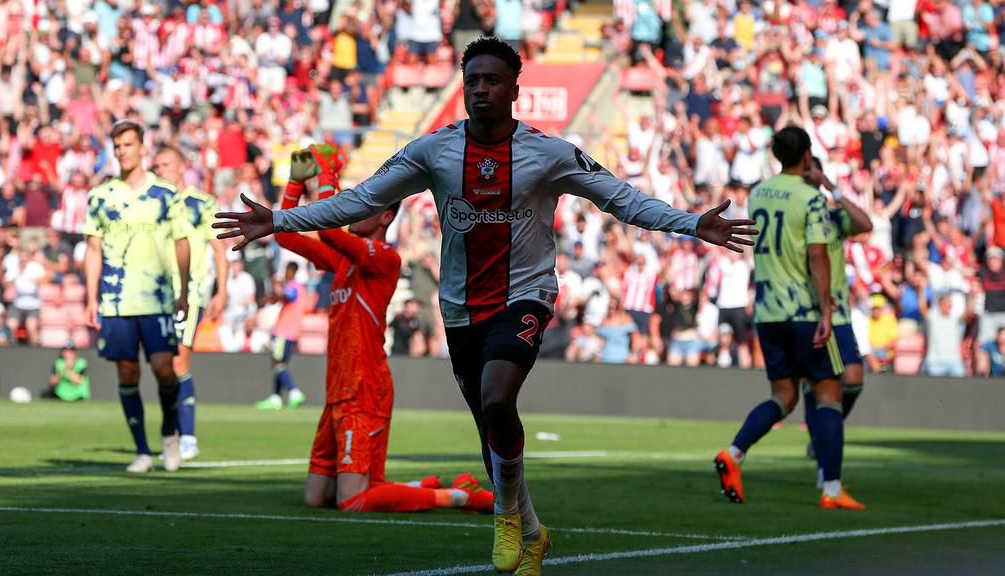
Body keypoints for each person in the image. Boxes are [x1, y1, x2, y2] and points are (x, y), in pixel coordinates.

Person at [215, 38, 756, 575]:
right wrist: (280, 219)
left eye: (491, 80)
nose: (480, 89)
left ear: (515, 90)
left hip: (525, 297)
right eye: (472, 80)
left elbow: (621, 199)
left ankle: (502, 513)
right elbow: (363, 199)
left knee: (499, 398)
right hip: (460, 310)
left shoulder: (550, 153)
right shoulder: (435, 150)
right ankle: (533, 534)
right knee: (489, 433)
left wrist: (691, 223)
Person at [278, 149, 494, 515]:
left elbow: (328, 229)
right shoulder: (345, 260)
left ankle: (458, 497)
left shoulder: (384, 258)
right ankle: (420, 487)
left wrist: (328, 173)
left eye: (361, 208)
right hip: (338, 391)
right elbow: (286, 236)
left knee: (352, 501)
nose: (352, 213)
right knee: (317, 498)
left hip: (365, 390)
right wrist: (297, 182)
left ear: (385, 216)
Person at [714, 126, 865, 510]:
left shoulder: (760, 193)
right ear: (807, 155)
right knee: (828, 393)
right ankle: (831, 488)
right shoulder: (812, 198)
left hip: (768, 309)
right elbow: (816, 255)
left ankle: (735, 452)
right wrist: (826, 310)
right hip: (803, 310)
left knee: (782, 396)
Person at [83, 120, 192, 474]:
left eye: (128, 145)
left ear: (142, 147)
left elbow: (181, 242)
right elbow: (93, 250)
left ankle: (170, 432)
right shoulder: (100, 197)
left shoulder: (165, 194)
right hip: (116, 301)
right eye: (117, 146)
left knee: (164, 371)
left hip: (157, 298)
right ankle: (143, 451)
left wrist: (185, 291)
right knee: (127, 373)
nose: (122, 152)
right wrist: (89, 298)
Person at [152, 145, 229, 461]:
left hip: (190, 291)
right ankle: (174, 432)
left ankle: (186, 436)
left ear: (182, 167)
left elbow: (219, 248)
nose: (160, 170)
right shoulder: (152, 202)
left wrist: (221, 291)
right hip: (155, 293)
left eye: (166, 164)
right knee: (162, 366)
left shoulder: (201, 203)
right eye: (156, 165)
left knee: (179, 362)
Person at [801, 158, 873, 485]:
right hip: (806, 311)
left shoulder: (832, 216)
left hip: (839, 312)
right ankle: (822, 457)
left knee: (854, 379)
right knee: (815, 386)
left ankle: (825, 435)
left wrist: (833, 188)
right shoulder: (795, 214)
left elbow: (866, 224)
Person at [256, 261, 308, 409]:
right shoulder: (298, 288)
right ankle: (276, 398)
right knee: (280, 364)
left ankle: (294, 392)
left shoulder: (294, 286)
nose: (285, 272)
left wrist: (277, 289)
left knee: (277, 362)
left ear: (292, 270)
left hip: (284, 331)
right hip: (292, 332)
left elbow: (289, 295)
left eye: (287, 270)